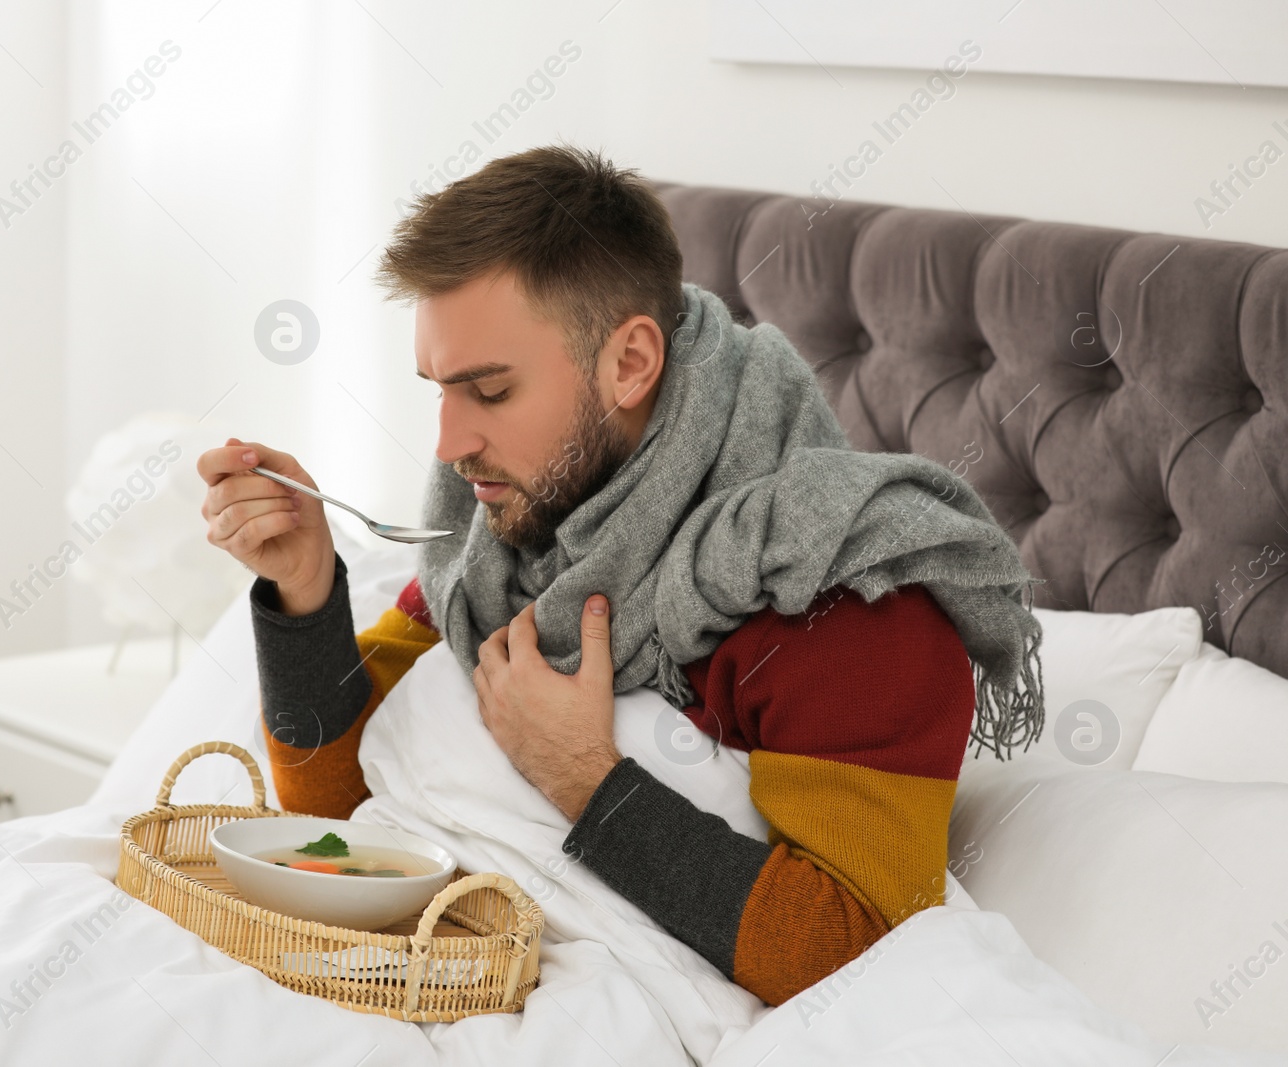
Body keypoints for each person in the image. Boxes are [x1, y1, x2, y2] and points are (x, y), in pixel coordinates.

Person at [197, 144, 1043, 1006]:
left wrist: (584, 780)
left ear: (631, 364)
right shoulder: (496, 536)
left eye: (488, 392)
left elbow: (860, 953)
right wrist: (305, 587)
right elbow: (336, 811)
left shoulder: (850, 601)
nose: (449, 445)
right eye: (438, 389)